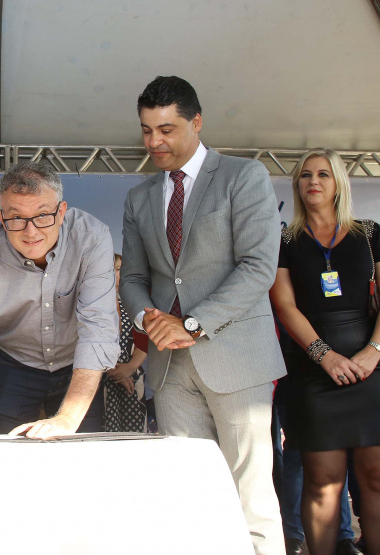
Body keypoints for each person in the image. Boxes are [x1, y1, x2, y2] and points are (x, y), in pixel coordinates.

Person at [120, 75, 285, 555]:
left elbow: (259, 268)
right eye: (147, 130)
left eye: (167, 129)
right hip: (169, 369)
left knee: (250, 497)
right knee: (189, 498)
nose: (155, 142)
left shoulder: (243, 176)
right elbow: (132, 279)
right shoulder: (139, 197)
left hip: (236, 359)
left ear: (196, 122)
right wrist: (147, 320)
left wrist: (191, 323)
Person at [0, 161, 119, 437]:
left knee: (80, 453)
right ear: (0, 216)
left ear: (61, 212)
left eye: (43, 216)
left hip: (78, 363)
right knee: (5, 454)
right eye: (16, 218)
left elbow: (98, 329)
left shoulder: (91, 238)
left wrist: (67, 419)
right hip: (12, 363)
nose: (31, 232)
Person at [269, 148, 380, 555]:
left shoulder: (370, 233)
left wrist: (374, 351)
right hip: (314, 374)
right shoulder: (284, 240)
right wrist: (325, 356)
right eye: (305, 175)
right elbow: (285, 306)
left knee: (375, 477)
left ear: (338, 185)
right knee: (323, 482)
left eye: (323, 174)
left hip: (373, 372)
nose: (313, 181)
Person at [102, 253, 148, 432]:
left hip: (133, 379)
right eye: (111, 270)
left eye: (119, 270)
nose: (116, 275)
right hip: (100, 380)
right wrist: (114, 372)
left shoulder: (131, 304)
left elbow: (144, 340)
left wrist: (128, 368)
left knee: (135, 441)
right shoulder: (90, 305)